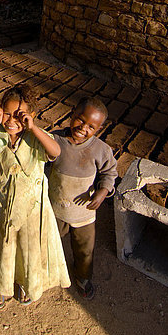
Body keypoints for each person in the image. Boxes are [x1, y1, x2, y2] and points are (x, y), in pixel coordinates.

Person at [0, 85, 70, 308]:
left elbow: (56, 152)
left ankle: (26, 283)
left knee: (28, 248)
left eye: (20, 116)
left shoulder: (37, 138)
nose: (12, 120)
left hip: (31, 209)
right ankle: (0, 285)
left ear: (31, 116)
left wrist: (34, 129)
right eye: (7, 113)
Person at [48, 96, 117, 300]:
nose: (83, 128)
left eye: (91, 127)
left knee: (84, 250)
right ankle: (49, 271)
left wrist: (103, 192)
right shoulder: (54, 140)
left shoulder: (101, 150)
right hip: (55, 207)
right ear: (72, 113)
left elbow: (109, 173)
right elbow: (40, 165)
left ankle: (82, 277)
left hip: (84, 213)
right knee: (50, 241)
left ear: (99, 129)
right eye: (80, 119)